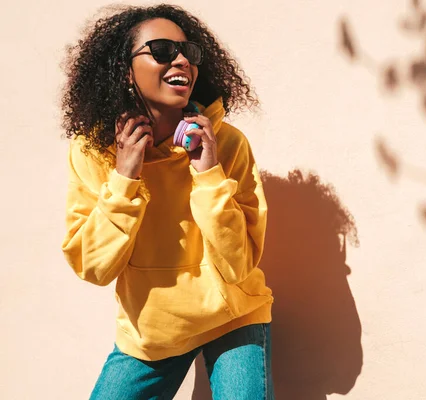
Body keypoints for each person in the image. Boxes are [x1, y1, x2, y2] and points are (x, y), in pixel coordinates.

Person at [59, 4, 274, 399]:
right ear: (125, 70)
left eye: (188, 52)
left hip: (233, 314)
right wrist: (124, 178)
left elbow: (239, 264)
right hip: (153, 331)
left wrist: (208, 172)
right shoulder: (93, 151)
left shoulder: (226, 144)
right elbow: (93, 267)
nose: (180, 61)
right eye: (160, 50)